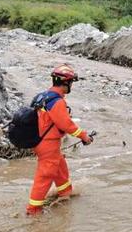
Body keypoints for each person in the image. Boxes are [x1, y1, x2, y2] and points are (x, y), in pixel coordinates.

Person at [26, 64, 94, 215]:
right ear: (65, 83)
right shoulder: (57, 102)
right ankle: (33, 210)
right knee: (45, 176)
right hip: (47, 143)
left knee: (60, 167)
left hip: (41, 141)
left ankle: (65, 193)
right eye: (71, 83)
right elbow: (66, 124)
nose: (71, 86)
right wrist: (84, 136)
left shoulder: (43, 96)